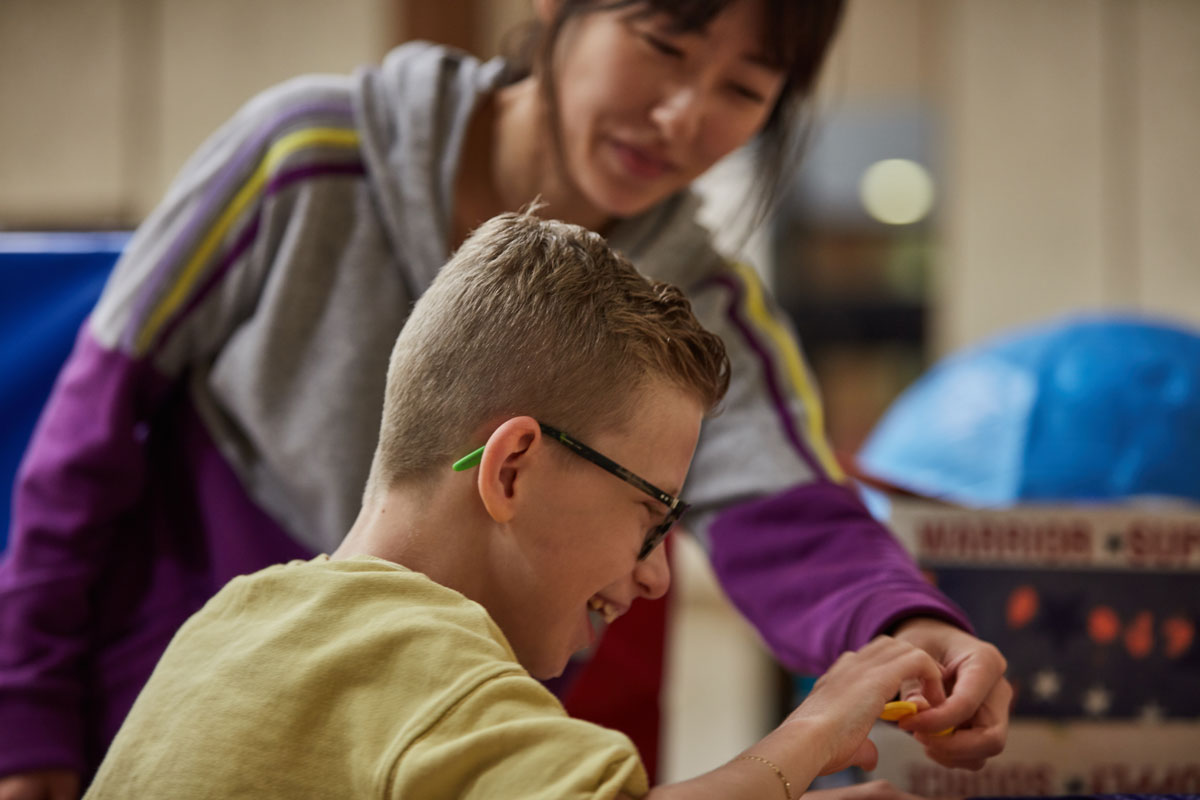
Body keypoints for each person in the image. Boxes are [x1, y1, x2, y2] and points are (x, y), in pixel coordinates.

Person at [0, 1, 1011, 797]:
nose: (683, 115)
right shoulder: (297, 159)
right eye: (663, 46)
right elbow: (83, 444)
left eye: (743, 88)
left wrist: (898, 624)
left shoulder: (708, 308)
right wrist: (26, 707)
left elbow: (793, 517)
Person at [85, 211, 950, 799]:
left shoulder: (234, 621)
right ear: (512, 470)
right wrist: (817, 732)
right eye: (653, 518)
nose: (654, 578)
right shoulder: (427, 666)